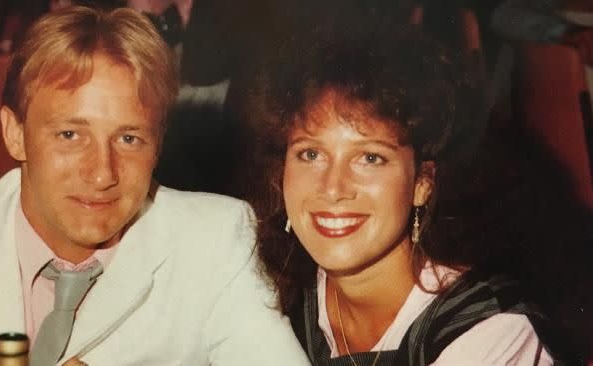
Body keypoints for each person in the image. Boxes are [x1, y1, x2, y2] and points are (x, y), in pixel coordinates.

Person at [0, 6, 310, 366]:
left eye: (129, 139)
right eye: (70, 134)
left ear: (158, 145)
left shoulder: (214, 242)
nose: (103, 174)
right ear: (15, 133)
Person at [242, 23, 577, 365]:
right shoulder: (269, 291)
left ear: (422, 183)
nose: (332, 187)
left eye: (370, 158)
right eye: (311, 154)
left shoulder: (489, 330)